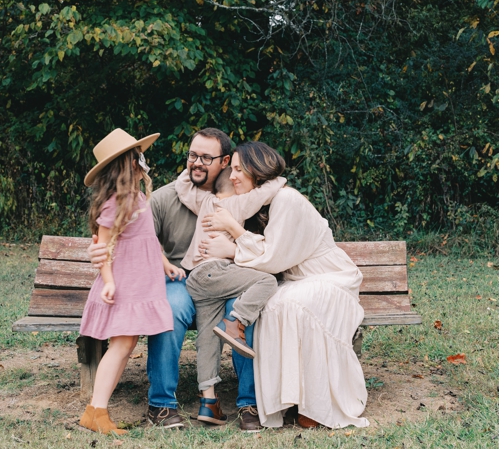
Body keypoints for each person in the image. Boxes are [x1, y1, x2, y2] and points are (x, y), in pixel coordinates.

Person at [88, 127, 264, 432]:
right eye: (192, 155)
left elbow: (264, 246)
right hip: (179, 279)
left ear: (225, 162)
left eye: (206, 158)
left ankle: (249, 401)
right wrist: (98, 253)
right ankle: (161, 405)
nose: (196, 162)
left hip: (227, 277)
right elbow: (131, 236)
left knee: (242, 305)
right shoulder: (165, 196)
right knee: (168, 306)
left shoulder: (243, 197)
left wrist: (233, 248)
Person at [195, 141, 369, 430]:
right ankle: (289, 398)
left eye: (239, 169)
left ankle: (316, 403)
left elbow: (273, 258)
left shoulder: (287, 199)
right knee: (272, 305)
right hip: (296, 281)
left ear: (257, 170)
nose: (233, 176)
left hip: (330, 278)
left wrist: (232, 241)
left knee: (290, 303)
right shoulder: (258, 205)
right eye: (232, 169)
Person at [77, 129, 179, 435]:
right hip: (124, 285)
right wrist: (107, 281)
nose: (144, 162)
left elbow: (149, 240)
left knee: (127, 343)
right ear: (129, 164)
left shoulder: (139, 198)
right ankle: (96, 410)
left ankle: (96, 410)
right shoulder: (116, 202)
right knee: (121, 345)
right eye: (140, 157)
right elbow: (104, 246)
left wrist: (165, 265)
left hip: (141, 285)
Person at [172, 154, 286, 425]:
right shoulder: (235, 205)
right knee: (266, 281)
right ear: (233, 187)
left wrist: (190, 168)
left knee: (207, 340)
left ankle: (208, 402)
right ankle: (235, 322)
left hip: (197, 280)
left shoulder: (204, 201)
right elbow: (266, 191)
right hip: (216, 272)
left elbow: (183, 187)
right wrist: (280, 178)